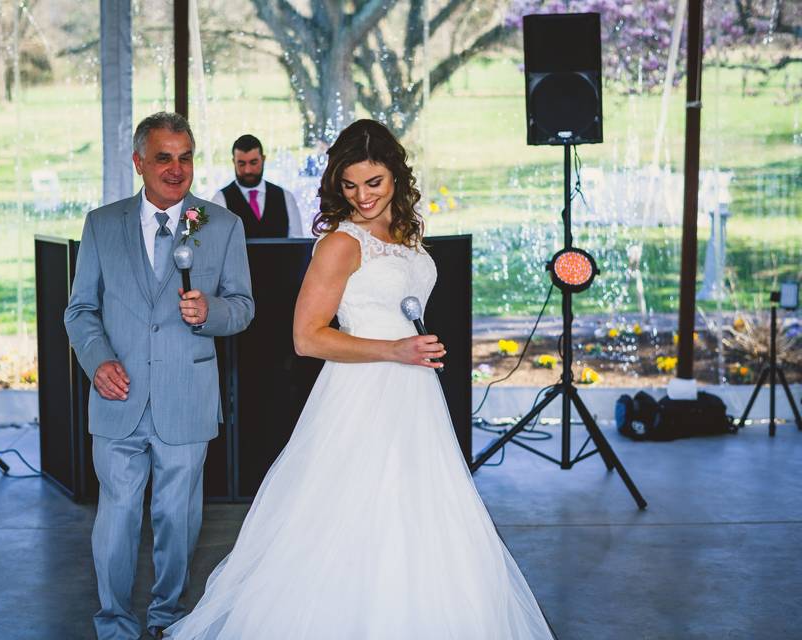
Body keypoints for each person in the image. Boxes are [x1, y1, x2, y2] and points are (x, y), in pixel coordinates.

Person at [165, 120, 554, 639]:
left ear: (396, 176)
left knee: (422, 516)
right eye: (350, 186)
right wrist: (393, 348)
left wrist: (409, 351)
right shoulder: (341, 245)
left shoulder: (408, 234)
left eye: (374, 183)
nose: (363, 196)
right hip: (360, 393)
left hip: (414, 395)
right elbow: (307, 338)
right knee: (354, 517)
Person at [64, 111, 254, 640]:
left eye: (186, 157)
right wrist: (98, 360)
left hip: (186, 397)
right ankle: (115, 624)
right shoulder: (102, 225)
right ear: (138, 162)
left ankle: (168, 618)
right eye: (164, 158)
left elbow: (243, 307)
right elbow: (80, 311)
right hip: (117, 398)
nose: (176, 169)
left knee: (178, 518)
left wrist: (209, 312)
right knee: (118, 516)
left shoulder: (223, 225)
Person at [209, 134, 303, 238]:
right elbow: (217, 243)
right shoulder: (220, 200)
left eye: (253, 163)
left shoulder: (286, 197)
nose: (247, 170)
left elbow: (297, 243)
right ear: (233, 162)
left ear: (263, 159)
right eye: (241, 164)